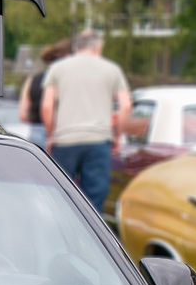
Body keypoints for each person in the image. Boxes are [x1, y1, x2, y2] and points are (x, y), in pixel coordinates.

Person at [40, 30, 130, 213]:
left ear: (76, 48)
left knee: (60, 196)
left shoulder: (58, 68)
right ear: (98, 47)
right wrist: (118, 135)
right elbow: (126, 105)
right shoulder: (112, 69)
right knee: (94, 200)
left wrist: (51, 135)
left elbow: (47, 106)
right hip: (98, 141)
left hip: (65, 140)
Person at [18, 39, 70, 149]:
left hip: (35, 134)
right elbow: (48, 107)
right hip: (58, 134)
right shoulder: (65, 79)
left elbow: (23, 115)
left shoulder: (32, 79)